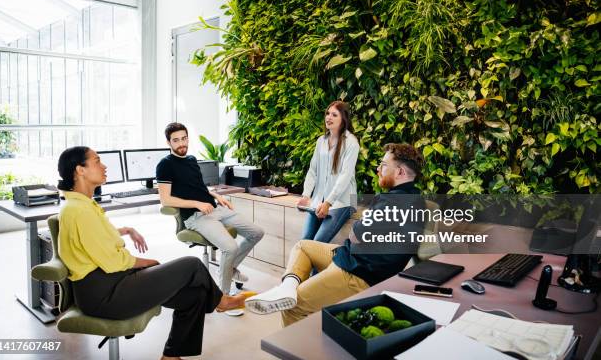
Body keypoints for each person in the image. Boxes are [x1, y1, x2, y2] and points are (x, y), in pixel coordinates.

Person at [57, 146, 253, 360]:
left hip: (110, 283)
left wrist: (125, 230)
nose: (104, 166)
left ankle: (171, 357)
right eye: (97, 161)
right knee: (191, 265)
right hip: (104, 294)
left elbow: (93, 238)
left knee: (194, 296)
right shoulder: (79, 210)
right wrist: (146, 262)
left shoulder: (82, 205)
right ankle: (221, 302)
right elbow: (113, 261)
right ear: (80, 170)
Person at [246, 143, 425, 326]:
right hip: (352, 258)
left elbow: (356, 235)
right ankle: (287, 288)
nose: (378, 169)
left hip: (357, 274)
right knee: (304, 246)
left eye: (384, 165)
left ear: (400, 172)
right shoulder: (413, 199)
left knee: (294, 306)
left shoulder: (394, 203)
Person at [157, 122, 264, 294]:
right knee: (230, 248)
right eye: (176, 140)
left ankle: (230, 269)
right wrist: (197, 203)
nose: (181, 143)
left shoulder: (191, 160)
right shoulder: (165, 165)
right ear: (168, 143)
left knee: (256, 232)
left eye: (184, 138)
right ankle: (223, 296)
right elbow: (165, 200)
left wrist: (216, 196)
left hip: (215, 209)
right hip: (196, 216)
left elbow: (200, 187)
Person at [297, 100, 359, 243]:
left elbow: (345, 176)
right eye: (327, 113)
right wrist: (306, 195)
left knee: (316, 244)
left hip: (343, 202)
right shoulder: (321, 141)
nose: (328, 117)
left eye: (334, 115)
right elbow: (313, 170)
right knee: (305, 241)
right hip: (319, 201)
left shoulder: (351, 143)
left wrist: (328, 203)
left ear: (343, 119)